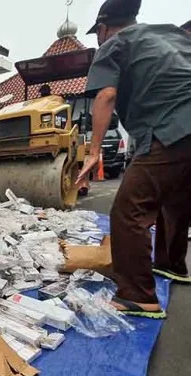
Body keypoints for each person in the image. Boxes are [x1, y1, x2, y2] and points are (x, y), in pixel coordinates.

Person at [76, 0, 191, 318]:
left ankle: (138, 295)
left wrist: (94, 151)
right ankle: (171, 264)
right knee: (177, 197)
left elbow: (106, 95)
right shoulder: (171, 34)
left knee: (128, 210)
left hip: (173, 127)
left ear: (102, 29)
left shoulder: (113, 44)